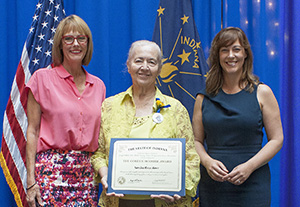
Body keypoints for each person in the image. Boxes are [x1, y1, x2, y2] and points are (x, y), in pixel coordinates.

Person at [91, 40, 200, 207]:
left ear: (159, 69)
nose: (144, 67)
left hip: (164, 203)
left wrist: (177, 187)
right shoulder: (109, 107)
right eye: (138, 60)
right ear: (128, 65)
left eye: (151, 62)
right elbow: (98, 154)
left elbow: (191, 159)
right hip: (118, 201)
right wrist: (105, 175)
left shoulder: (176, 109)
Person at [192, 27, 283, 207]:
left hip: (253, 182)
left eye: (236, 49)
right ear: (217, 56)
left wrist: (249, 167)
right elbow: (195, 141)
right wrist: (207, 161)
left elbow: (277, 139)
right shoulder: (202, 98)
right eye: (224, 50)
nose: (230, 55)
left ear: (245, 54)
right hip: (213, 185)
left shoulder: (262, 92)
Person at [25, 15, 106, 206]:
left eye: (81, 38)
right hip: (50, 175)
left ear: (88, 43)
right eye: (68, 39)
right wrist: (30, 181)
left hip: (87, 176)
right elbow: (32, 131)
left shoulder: (99, 86)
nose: (75, 44)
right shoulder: (41, 79)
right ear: (60, 44)